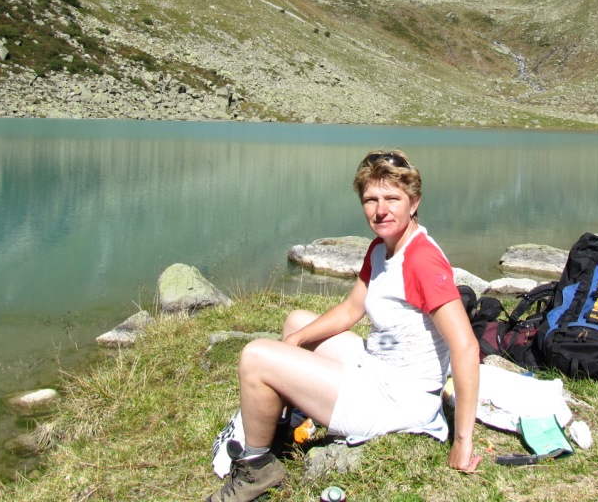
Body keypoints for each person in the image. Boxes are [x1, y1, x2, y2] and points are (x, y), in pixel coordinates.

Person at [205, 149, 482, 502]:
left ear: (414, 203)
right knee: (296, 323)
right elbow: (352, 308)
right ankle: (278, 427)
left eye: (392, 199)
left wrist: (462, 441)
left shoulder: (421, 260)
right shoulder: (381, 248)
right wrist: (297, 339)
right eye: (371, 199)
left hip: (398, 400)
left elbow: (465, 346)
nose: (380, 210)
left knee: (255, 357)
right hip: (378, 367)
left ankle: (257, 469)